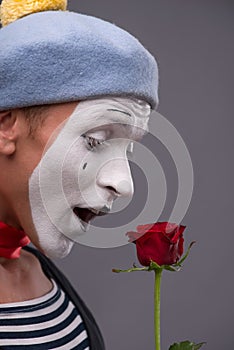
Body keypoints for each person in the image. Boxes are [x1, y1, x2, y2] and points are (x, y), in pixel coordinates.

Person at [0, 0, 159, 348]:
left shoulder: (42, 275)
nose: (124, 184)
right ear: (5, 127)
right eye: (96, 140)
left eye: (128, 150)